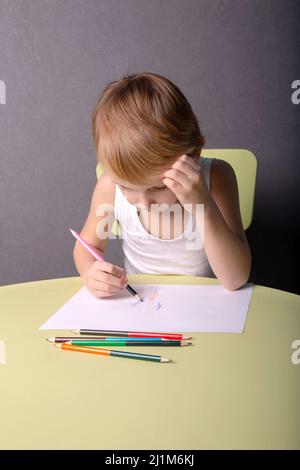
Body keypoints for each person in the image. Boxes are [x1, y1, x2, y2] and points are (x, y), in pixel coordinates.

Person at [73, 72, 251, 297]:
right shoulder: (109, 188)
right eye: (126, 186)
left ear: (194, 155)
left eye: (159, 188)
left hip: (203, 307)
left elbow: (235, 278)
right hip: (141, 305)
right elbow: (87, 247)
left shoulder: (216, 179)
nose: (144, 203)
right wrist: (91, 271)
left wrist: (202, 205)